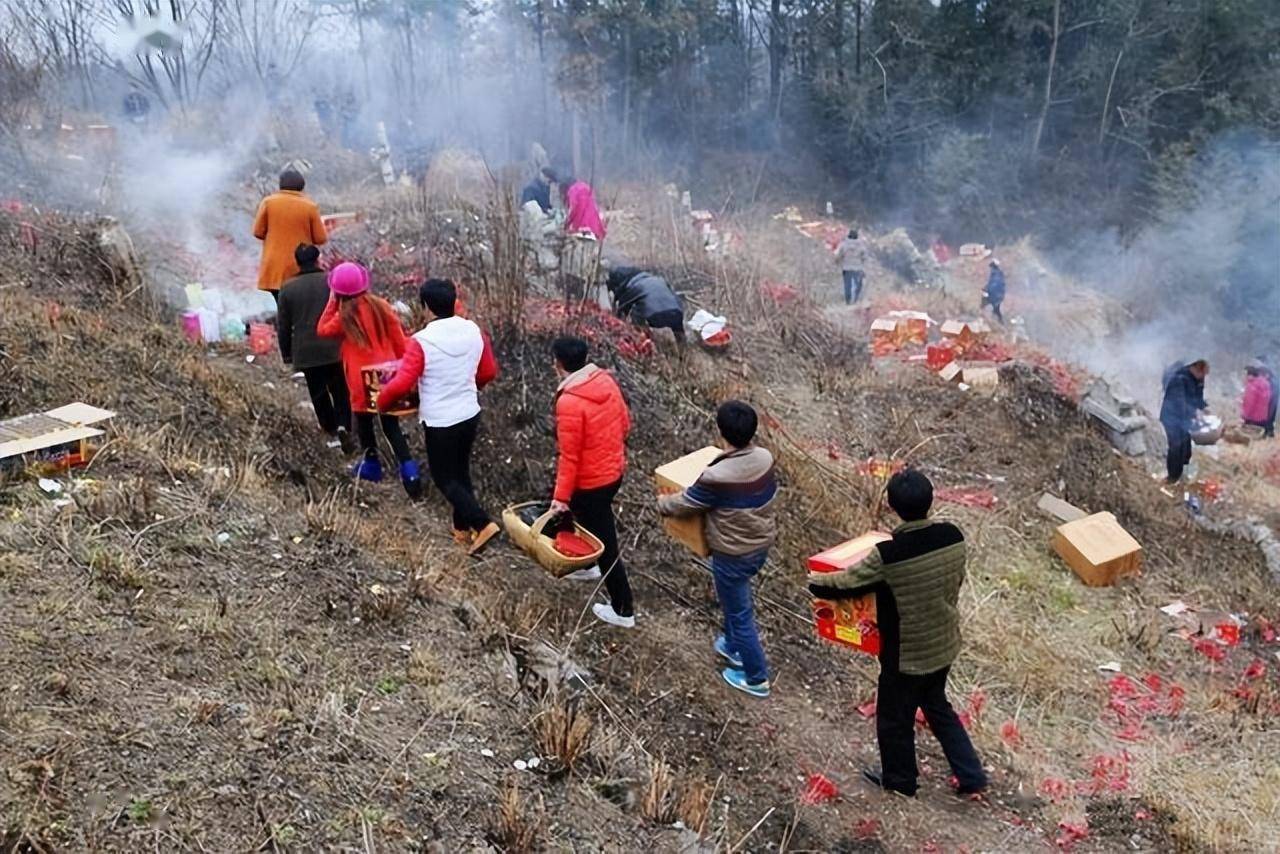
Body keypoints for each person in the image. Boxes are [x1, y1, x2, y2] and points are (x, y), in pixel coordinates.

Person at [807, 469, 987, 799]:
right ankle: (971, 774)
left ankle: (900, 780)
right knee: (937, 706)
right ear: (931, 501)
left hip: (906, 654)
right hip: (944, 641)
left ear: (891, 506)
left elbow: (847, 583)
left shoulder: (890, 554)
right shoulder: (952, 535)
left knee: (894, 718)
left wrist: (815, 580)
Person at [658, 401, 778, 698]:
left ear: (721, 431)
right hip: (759, 545)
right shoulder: (764, 458)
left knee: (740, 613)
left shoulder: (717, 476)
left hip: (733, 553)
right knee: (735, 600)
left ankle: (756, 677)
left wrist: (661, 503)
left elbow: (687, 503)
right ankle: (732, 645)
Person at [376, 278, 502, 555]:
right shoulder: (473, 331)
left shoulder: (423, 341)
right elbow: (488, 371)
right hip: (469, 412)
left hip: (440, 420)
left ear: (425, 307)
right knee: (460, 472)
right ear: (452, 301)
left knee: (444, 478)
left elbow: (401, 383)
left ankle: (482, 524)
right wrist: (471, 384)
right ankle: (462, 530)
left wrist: (382, 403)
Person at [316, 262, 422, 499]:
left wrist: (333, 300)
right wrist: (407, 367)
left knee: (364, 424)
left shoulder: (345, 316)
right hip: (387, 375)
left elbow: (322, 330)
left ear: (339, 291)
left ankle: (372, 465)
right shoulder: (381, 306)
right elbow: (399, 339)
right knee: (391, 426)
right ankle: (410, 471)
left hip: (359, 379)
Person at [550, 336, 634, 627]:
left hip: (592, 481)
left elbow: (569, 457)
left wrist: (560, 498)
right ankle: (587, 565)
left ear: (558, 364)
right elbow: (625, 423)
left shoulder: (570, 401)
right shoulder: (605, 381)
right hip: (613, 473)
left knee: (606, 542)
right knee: (585, 521)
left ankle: (623, 609)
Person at [277, 244, 355, 454]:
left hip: (306, 351)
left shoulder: (287, 288)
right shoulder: (331, 281)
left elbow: (283, 325)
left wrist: (286, 353)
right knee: (340, 390)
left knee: (318, 392)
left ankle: (329, 428)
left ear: (297, 262)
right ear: (318, 258)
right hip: (334, 347)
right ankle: (344, 426)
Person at [252, 170, 328, 301]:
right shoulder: (310, 206)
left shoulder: (268, 203)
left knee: (280, 306)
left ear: (280, 185)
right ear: (302, 186)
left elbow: (258, 232)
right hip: (300, 268)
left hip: (273, 268)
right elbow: (321, 238)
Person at [1159, 359, 1209, 484]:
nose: (1203, 377)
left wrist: (1204, 407)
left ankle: (1184, 473)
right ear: (1195, 369)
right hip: (1171, 417)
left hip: (1185, 418)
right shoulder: (1179, 379)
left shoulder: (1198, 379)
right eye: (1202, 374)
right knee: (1176, 446)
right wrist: (1195, 413)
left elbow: (1197, 397)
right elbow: (1178, 403)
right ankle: (1172, 478)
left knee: (1186, 446)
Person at [605, 266, 685, 344]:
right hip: (676, 313)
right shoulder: (659, 280)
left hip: (654, 317)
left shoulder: (634, 286)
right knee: (677, 325)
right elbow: (676, 299)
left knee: (636, 313)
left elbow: (622, 310)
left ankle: (642, 343)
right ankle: (683, 345)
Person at [562, 176, 606, 240]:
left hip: (581, 227)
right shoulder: (586, 186)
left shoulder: (572, 190)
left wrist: (567, 223)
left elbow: (573, 208)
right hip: (594, 226)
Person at [834, 229, 868, 304]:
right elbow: (865, 257)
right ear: (857, 236)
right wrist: (862, 264)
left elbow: (838, 255)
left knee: (847, 285)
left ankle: (848, 301)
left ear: (848, 236)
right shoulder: (861, 245)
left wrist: (837, 262)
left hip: (846, 268)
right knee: (858, 285)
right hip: (857, 268)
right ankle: (855, 300)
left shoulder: (843, 244)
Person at [1242, 364, 1273, 431]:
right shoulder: (1265, 382)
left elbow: (1249, 403)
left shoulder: (1252, 386)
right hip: (1263, 417)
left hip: (1252, 419)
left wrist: (1244, 416)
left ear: (1250, 375)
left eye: (1245, 374)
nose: (1244, 377)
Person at [1256, 356, 1279, 438]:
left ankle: (1267, 432)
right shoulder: (1266, 369)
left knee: (1269, 414)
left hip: (1272, 394)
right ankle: (1269, 431)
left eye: (1258, 361)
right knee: (1270, 415)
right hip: (1273, 394)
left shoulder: (1264, 369)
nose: (1256, 363)